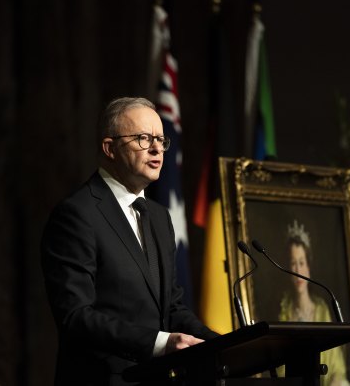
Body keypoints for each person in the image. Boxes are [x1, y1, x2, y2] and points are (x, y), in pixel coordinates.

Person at [41, 97, 218, 386]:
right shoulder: (76, 214)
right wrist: (160, 343)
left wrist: (221, 344)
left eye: (161, 139)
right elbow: (75, 316)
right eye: (143, 138)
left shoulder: (160, 217)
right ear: (110, 148)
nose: (156, 148)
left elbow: (170, 307)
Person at [278, 220, 349, 386]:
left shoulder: (322, 308)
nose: (298, 271)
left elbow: (336, 367)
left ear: (309, 267)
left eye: (301, 263)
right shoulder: (283, 310)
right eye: (293, 264)